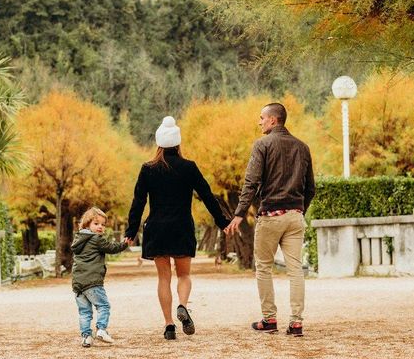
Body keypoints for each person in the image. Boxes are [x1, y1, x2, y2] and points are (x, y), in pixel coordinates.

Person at [126, 116, 230, 340]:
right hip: (181, 226)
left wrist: (130, 232)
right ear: (177, 142)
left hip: (157, 228)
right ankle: (182, 305)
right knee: (184, 275)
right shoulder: (189, 167)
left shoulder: (148, 169)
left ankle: (169, 325)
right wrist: (223, 222)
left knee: (164, 278)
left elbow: (138, 202)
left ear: (159, 143)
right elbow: (208, 196)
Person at [224, 103, 315, 337]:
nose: (259, 122)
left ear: (273, 120)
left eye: (262, 118)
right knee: (296, 269)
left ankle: (269, 319)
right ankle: (296, 323)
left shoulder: (262, 145)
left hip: (270, 216)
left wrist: (239, 213)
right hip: (295, 216)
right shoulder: (302, 147)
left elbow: (251, 183)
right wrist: (299, 210)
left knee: (263, 267)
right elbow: (311, 188)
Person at [71, 206, 130, 348]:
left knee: (84, 312)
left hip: (78, 283)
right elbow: (112, 248)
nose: (100, 227)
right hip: (93, 282)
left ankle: (86, 337)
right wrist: (125, 244)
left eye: (103, 225)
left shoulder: (78, 239)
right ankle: (101, 329)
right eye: (96, 224)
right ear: (87, 224)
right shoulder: (96, 239)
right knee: (103, 306)